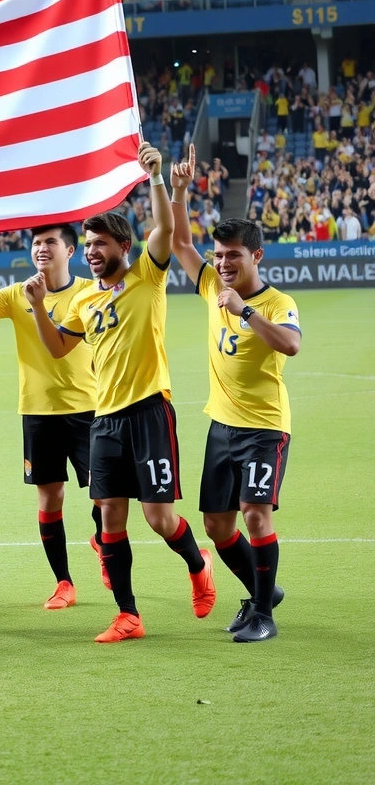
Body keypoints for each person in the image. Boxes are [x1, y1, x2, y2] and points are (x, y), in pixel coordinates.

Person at [27, 142, 217, 644]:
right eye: (87, 245)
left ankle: (199, 567)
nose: (91, 252)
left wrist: (156, 177)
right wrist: (40, 307)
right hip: (104, 419)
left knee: (158, 518)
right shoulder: (83, 298)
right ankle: (128, 615)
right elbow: (57, 348)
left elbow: (166, 231)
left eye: (100, 245)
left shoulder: (146, 277)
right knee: (110, 516)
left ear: (123, 248)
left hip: (150, 411)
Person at [171, 145, 299, 642]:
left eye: (233, 256)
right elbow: (182, 244)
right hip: (221, 425)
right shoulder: (209, 285)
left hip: (265, 427)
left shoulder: (276, 301)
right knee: (217, 525)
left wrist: (245, 310)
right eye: (219, 256)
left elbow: (289, 344)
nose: (222, 264)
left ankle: (264, 614)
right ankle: (262, 592)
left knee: (255, 512)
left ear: (256, 256)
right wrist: (179, 189)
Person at [0, 225, 103, 609]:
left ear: (71, 250)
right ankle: (64, 582)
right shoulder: (15, 295)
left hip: (88, 408)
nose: (41, 248)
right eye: (36, 243)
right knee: (51, 497)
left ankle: (103, 539)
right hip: (37, 411)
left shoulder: (88, 292)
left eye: (50, 242)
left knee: (104, 496)